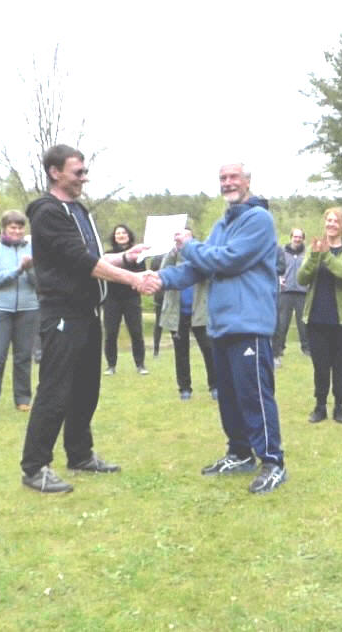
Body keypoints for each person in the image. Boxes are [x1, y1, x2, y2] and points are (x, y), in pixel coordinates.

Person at [146, 163, 287, 495]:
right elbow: (198, 268)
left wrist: (189, 244)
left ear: (248, 181)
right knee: (229, 396)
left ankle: (273, 462)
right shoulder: (222, 224)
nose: (227, 183)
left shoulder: (258, 220)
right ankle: (239, 454)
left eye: (233, 177)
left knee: (254, 394)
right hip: (221, 323)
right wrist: (158, 279)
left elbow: (228, 259)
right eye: (222, 178)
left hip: (249, 322)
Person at [19, 144, 150, 494]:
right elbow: (82, 263)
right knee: (55, 390)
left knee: (85, 389)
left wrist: (125, 258)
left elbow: (92, 256)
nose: (84, 178)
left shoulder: (77, 211)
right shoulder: (48, 213)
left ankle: (79, 453)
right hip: (62, 313)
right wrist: (134, 279)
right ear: (55, 172)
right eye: (78, 172)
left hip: (87, 314)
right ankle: (35, 467)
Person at [298, 207, 342, 424]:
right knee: (320, 366)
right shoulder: (313, 249)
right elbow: (301, 278)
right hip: (316, 318)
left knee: (340, 365)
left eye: (336, 221)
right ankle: (320, 406)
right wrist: (316, 255)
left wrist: (326, 255)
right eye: (328, 220)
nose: (331, 224)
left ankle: (340, 408)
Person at [0, 210, 39, 417]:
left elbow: (41, 282)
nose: (17, 231)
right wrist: (17, 271)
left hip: (28, 308)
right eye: (13, 227)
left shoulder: (32, 249)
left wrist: (29, 270)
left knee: (23, 356)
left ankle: (23, 399)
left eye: (20, 227)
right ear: (4, 228)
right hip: (0, 310)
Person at [159, 228, 216, 401]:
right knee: (181, 351)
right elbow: (162, 272)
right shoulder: (172, 256)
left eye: (187, 236)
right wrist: (174, 251)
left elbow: (208, 271)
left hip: (200, 312)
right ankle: (184, 389)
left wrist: (191, 250)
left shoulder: (201, 256)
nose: (182, 239)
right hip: (177, 313)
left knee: (209, 350)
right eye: (180, 237)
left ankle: (215, 386)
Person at [102, 224, 149, 376]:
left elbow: (141, 274)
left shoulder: (138, 254)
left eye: (123, 233)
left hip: (131, 298)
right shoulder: (108, 255)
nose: (121, 235)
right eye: (118, 233)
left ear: (129, 235)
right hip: (112, 298)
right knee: (111, 333)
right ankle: (111, 365)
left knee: (136, 331)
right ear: (114, 237)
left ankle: (140, 364)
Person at [273, 228, 309, 367]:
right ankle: (279, 349)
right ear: (291, 237)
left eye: (300, 237)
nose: (297, 239)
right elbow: (278, 266)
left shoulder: (306, 254)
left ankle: (306, 348)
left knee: (303, 323)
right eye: (295, 236)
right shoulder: (282, 251)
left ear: (303, 239)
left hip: (302, 291)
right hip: (285, 291)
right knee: (282, 322)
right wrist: (280, 278)